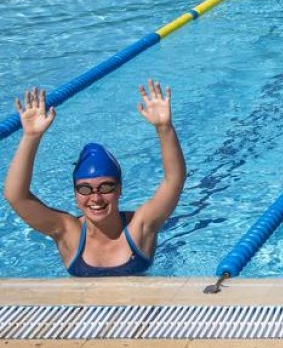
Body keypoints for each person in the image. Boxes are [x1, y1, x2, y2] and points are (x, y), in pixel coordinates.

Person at [3, 80, 186, 277]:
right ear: (75, 194)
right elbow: (16, 196)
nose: (96, 198)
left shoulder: (140, 226)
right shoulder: (68, 232)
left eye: (106, 187)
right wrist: (30, 137)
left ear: (120, 189)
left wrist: (164, 128)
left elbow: (174, 180)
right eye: (85, 189)